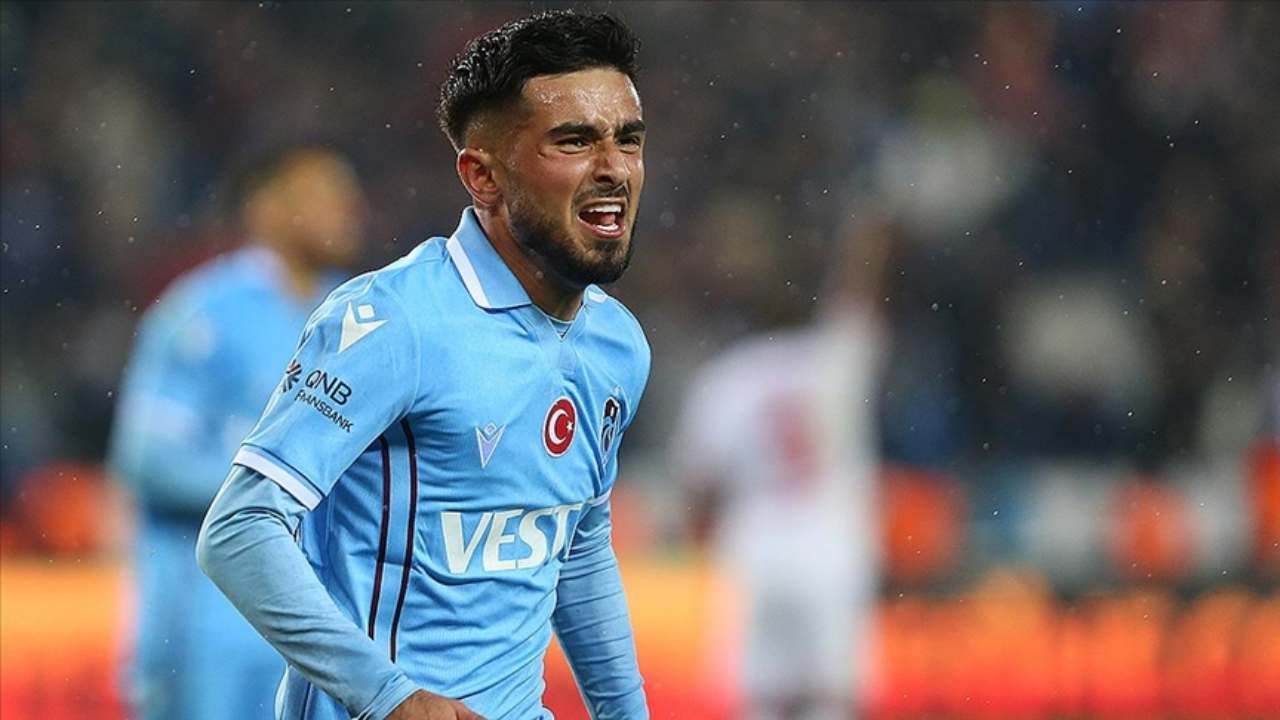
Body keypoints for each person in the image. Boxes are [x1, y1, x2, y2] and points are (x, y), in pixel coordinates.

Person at [197, 11, 651, 720]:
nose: (613, 169)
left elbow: (579, 549)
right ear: (482, 176)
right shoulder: (396, 321)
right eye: (574, 141)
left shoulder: (616, 345)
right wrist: (391, 697)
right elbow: (239, 529)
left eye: (628, 139)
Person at [109, 144, 366, 720]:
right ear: (267, 208)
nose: (348, 209)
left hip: (325, 624)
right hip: (212, 621)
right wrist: (285, 489)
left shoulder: (360, 314)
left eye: (348, 196)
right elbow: (151, 460)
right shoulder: (203, 313)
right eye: (322, 195)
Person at [674, 211, 893, 720]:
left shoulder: (727, 377)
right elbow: (860, 295)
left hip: (758, 546)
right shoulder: (836, 358)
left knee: (763, 699)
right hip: (832, 545)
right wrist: (869, 235)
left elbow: (698, 491)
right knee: (830, 697)